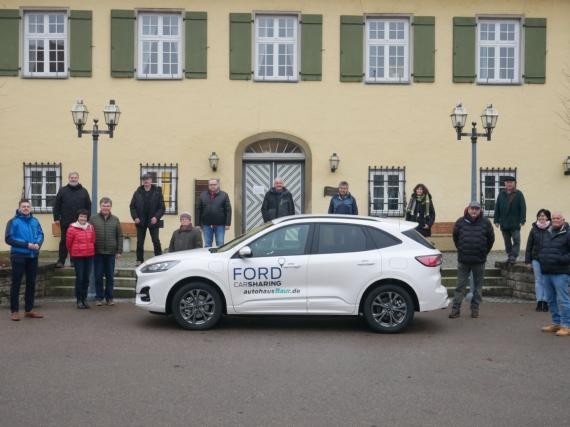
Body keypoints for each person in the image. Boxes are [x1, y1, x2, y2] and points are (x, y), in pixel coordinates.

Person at [449, 201, 495, 319]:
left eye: (476, 209)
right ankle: (455, 310)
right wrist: (461, 249)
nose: (474, 211)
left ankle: (475, 309)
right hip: (463, 260)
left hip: (479, 260)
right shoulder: (460, 222)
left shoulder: (486, 222)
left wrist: (484, 252)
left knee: (478, 287)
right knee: (460, 286)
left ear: (480, 210)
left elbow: (491, 240)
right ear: (468, 209)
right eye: (472, 209)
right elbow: (455, 237)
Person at [5, 199, 44, 321]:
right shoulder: (13, 222)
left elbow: (41, 234)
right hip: (18, 256)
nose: (26, 208)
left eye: (28, 206)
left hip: (33, 256)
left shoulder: (35, 221)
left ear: (31, 208)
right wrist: (26, 245)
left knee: (31, 283)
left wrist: (38, 243)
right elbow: (9, 239)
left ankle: (29, 310)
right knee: (16, 284)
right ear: (19, 208)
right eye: (23, 206)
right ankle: (14, 311)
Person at [538, 212, 570, 337]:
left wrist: (561, 259)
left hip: (561, 272)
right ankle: (556, 323)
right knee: (551, 300)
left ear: (563, 220)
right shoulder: (547, 233)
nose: (555, 220)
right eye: (553, 218)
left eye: (558, 218)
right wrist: (541, 258)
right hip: (546, 271)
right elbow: (541, 249)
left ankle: (567, 325)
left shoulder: (567, 234)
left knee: (563, 300)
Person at [53, 171, 91, 268]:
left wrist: (87, 218)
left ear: (78, 178)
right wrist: (56, 217)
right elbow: (56, 205)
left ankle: (74, 261)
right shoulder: (62, 190)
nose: (73, 179)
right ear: (69, 178)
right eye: (71, 177)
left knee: (77, 242)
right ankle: (61, 261)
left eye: (75, 177)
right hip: (65, 221)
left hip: (80, 222)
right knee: (64, 241)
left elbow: (88, 206)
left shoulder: (84, 191)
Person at [90, 197, 122, 306]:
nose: (105, 208)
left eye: (107, 206)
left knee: (110, 277)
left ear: (110, 207)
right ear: (100, 206)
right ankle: (99, 297)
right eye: (104, 205)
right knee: (98, 276)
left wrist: (119, 251)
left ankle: (109, 298)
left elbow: (120, 236)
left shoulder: (115, 219)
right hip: (97, 252)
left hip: (111, 253)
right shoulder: (93, 219)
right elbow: (88, 234)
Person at [129, 174, 165, 266]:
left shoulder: (157, 192)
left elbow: (162, 208)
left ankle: (159, 258)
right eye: (144, 179)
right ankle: (139, 260)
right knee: (140, 242)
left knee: (156, 240)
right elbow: (132, 207)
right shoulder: (137, 192)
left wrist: (156, 217)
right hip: (141, 221)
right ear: (142, 181)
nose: (146, 181)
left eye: (148, 179)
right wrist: (135, 217)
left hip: (153, 221)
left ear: (151, 180)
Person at [66, 209, 95, 309]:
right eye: (81, 216)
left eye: (85, 217)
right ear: (78, 217)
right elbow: (68, 244)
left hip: (89, 255)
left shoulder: (90, 227)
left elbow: (93, 240)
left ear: (87, 218)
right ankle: (79, 300)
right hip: (78, 257)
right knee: (80, 278)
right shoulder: (72, 228)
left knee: (86, 278)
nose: (83, 218)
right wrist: (72, 254)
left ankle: (84, 299)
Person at [494, 176, 526, 263]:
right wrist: (496, 220)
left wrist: (522, 220)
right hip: (504, 223)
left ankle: (514, 256)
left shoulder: (519, 194)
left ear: (514, 183)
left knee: (516, 240)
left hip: (515, 223)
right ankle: (509, 255)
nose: (509, 184)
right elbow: (497, 208)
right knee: (507, 241)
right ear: (505, 184)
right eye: (507, 182)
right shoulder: (501, 194)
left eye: (511, 182)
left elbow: (523, 207)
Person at [525, 209, 551, 312]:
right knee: (538, 281)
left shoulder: (552, 228)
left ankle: (546, 301)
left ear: (548, 217)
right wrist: (528, 261)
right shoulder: (534, 229)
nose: (541, 217)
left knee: (546, 281)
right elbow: (529, 245)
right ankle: (539, 301)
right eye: (539, 216)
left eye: (543, 216)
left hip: (548, 259)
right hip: (536, 259)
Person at [196, 179, 232, 247]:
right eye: (211, 185)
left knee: (220, 244)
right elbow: (198, 210)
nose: (212, 186)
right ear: (208, 186)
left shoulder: (224, 195)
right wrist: (198, 224)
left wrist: (228, 223)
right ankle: (207, 257)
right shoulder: (202, 195)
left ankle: (220, 257)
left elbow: (228, 210)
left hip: (220, 225)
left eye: (214, 184)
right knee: (207, 244)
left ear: (218, 185)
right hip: (206, 225)